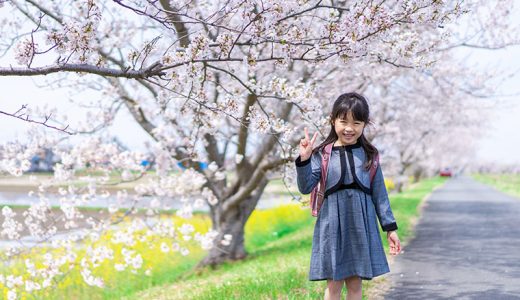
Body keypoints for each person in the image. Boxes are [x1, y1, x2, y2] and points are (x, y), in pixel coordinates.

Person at [294, 92, 401, 300]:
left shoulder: (370, 154)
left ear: (364, 125)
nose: (349, 128)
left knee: (355, 284)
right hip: (331, 224)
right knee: (333, 284)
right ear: (333, 120)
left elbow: (380, 194)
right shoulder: (322, 154)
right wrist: (304, 160)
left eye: (357, 123)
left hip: (361, 222)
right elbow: (305, 186)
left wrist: (390, 228)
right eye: (343, 121)